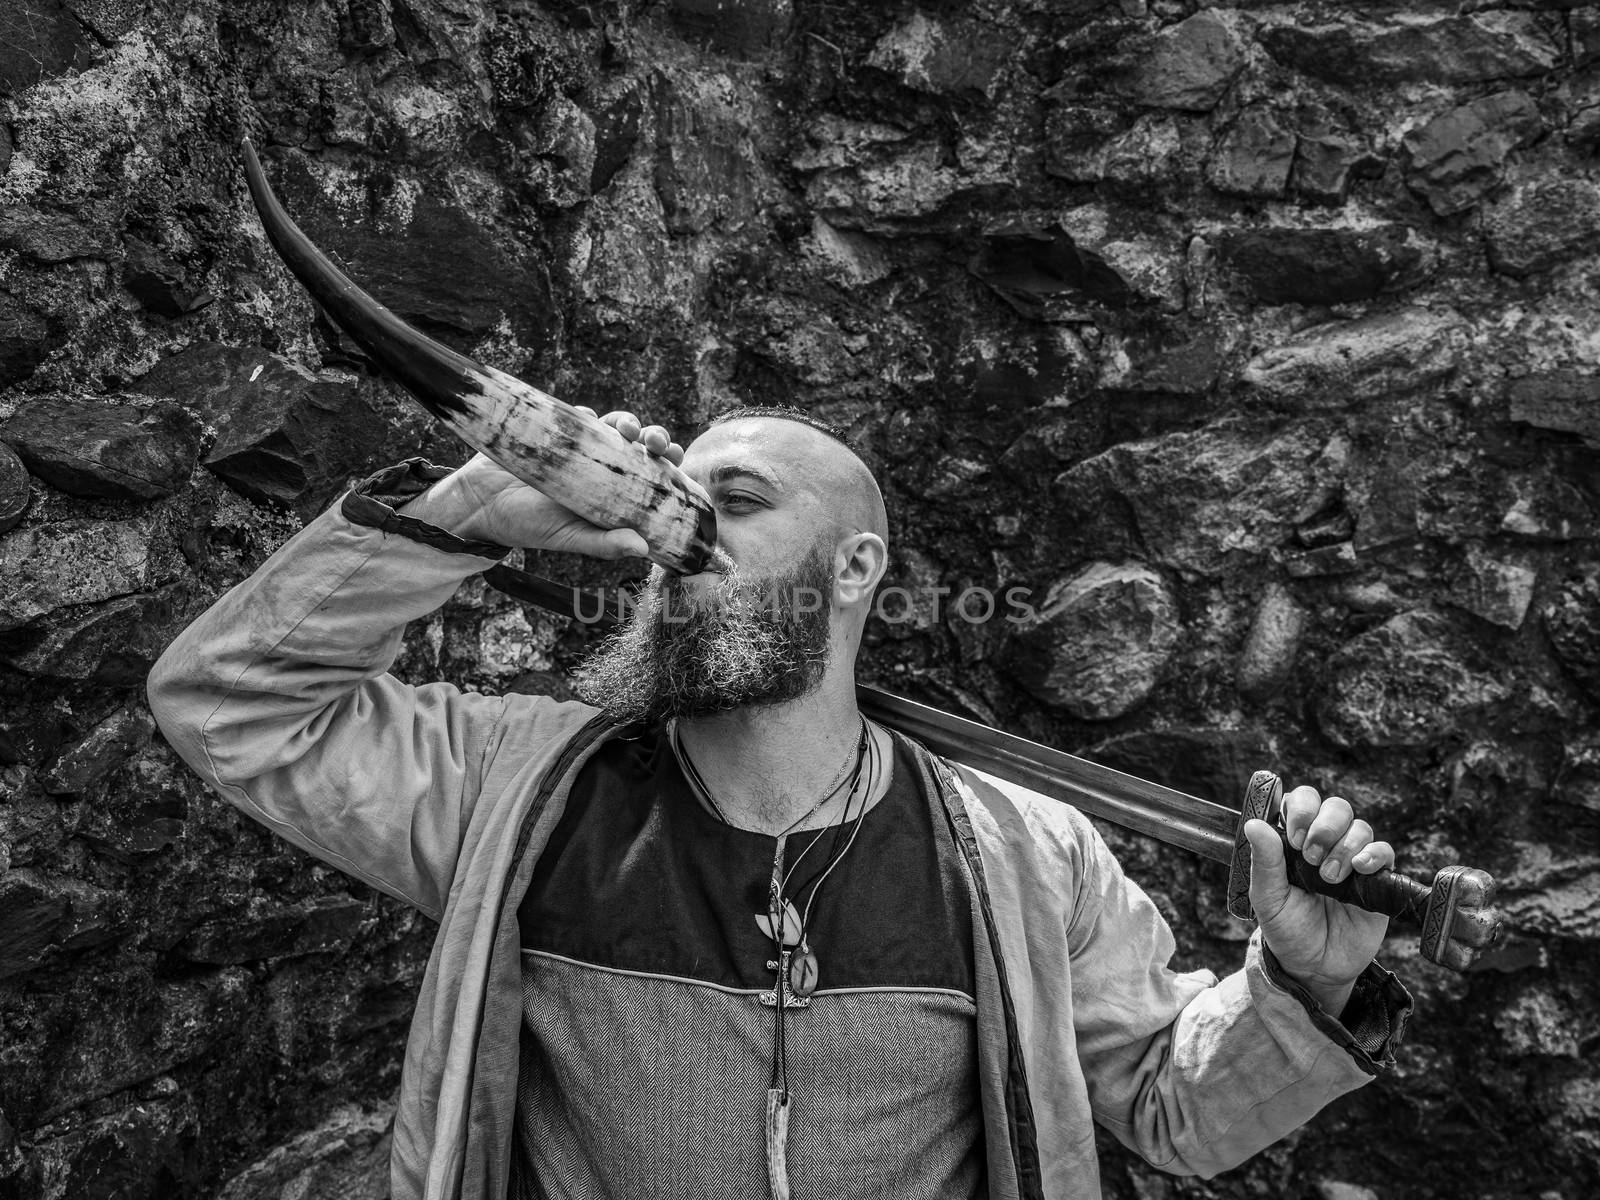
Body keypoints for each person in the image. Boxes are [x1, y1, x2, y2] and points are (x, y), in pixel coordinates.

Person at [147, 405, 1411, 1200]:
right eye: (668, 507)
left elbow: (1168, 1107)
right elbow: (232, 707)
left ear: (854, 565)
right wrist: (470, 514)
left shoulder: (1024, 849)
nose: (676, 535)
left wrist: (1301, 990)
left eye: (735, 505)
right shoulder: (518, 789)